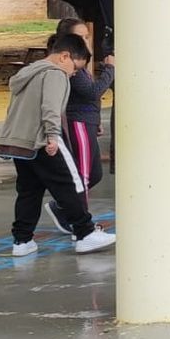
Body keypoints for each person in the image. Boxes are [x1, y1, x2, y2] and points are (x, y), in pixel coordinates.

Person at [0, 33, 116, 255]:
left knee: (29, 191)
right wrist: (53, 136)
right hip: (43, 139)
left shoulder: (28, 72)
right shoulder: (55, 75)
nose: (74, 74)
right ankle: (85, 232)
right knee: (71, 182)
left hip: (18, 142)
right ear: (65, 56)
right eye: (75, 68)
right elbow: (51, 108)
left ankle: (22, 240)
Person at [56, 18, 112, 210]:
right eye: (80, 37)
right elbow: (92, 92)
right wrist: (110, 70)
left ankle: (67, 207)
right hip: (78, 121)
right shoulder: (73, 70)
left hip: (87, 119)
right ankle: (81, 223)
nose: (85, 42)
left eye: (86, 37)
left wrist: (96, 119)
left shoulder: (81, 67)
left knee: (94, 173)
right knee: (84, 173)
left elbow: (90, 96)